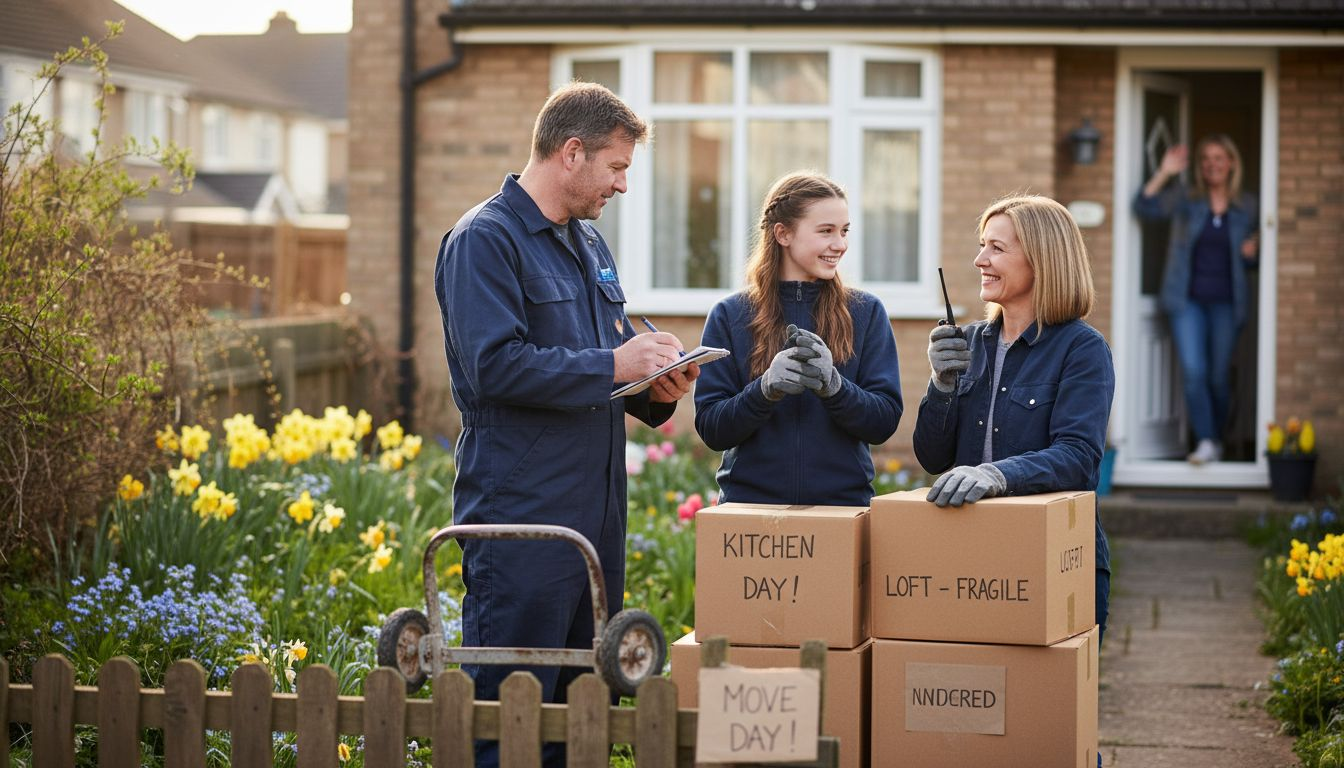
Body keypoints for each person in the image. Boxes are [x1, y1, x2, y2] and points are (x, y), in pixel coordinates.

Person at [433, 82, 698, 768]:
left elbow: (607, 365)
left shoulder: (589, 244)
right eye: (617, 168)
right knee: (510, 718)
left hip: (595, 522)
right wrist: (614, 364)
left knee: (583, 715)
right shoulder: (483, 240)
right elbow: (495, 367)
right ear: (572, 152)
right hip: (521, 522)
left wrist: (655, 388)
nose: (622, 186)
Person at [913, 195, 1113, 650]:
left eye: (997, 249)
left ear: (1042, 260)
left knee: (1044, 712)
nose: (979, 259)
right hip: (970, 559)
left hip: (1052, 559)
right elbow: (932, 456)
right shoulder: (967, 343)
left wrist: (994, 475)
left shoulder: (1082, 350)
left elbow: (1079, 458)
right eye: (983, 245)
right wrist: (941, 385)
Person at [694, 171, 903, 506]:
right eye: (826, 231)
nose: (840, 244)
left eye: (844, 231)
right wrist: (764, 390)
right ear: (783, 234)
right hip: (748, 510)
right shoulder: (730, 315)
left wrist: (835, 386)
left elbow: (883, 422)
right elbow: (712, 429)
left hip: (842, 510)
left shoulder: (865, 312)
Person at [1134, 135, 1259, 464]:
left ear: (1231, 163)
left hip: (1228, 304)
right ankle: (1206, 440)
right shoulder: (1186, 199)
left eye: (1219, 158)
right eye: (1206, 159)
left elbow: (1255, 257)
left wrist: (1253, 252)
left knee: (1218, 376)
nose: (1212, 164)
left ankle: (1217, 437)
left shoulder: (1247, 206)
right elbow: (1143, 206)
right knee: (1194, 371)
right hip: (1186, 302)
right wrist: (1164, 172)